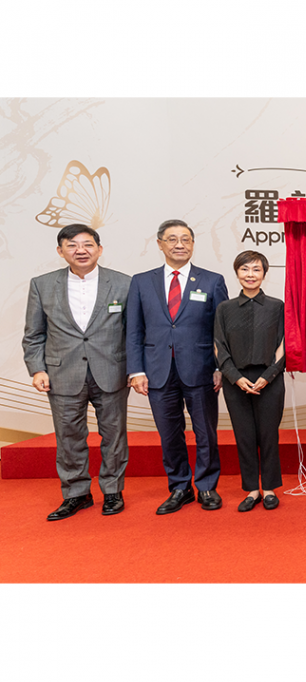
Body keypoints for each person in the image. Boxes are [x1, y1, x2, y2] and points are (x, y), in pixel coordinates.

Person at [23, 224, 132, 520]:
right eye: (72, 245)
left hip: (112, 371)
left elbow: (133, 333)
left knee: (114, 434)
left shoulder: (123, 284)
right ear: (61, 251)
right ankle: (76, 494)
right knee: (69, 436)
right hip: (61, 374)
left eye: (87, 244)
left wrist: (135, 370)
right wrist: (37, 369)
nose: (80, 250)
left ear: (99, 248)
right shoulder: (42, 285)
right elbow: (34, 334)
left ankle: (112, 491)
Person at [126, 220, 229, 514]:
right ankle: (180, 487)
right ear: (160, 244)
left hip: (201, 369)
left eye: (185, 239)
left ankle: (207, 486)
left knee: (205, 432)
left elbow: (221, 330)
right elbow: (133, 330)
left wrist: (220, 367)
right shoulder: (141, 282)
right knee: (169, 433)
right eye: (172, 239)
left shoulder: (212, 280)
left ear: (193, 244)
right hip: (157, 371)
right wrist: (136, 371)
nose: (179, 244)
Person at [214, 250, 287, 511]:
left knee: (268, 436)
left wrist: (268, 377)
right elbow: (218, 347)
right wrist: (235, 378)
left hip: (270, 380)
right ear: (237, 273)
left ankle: (269, 489)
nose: (250, 275)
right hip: (237, 382)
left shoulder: (277, 306)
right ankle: (252, 490)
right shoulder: (225, 308)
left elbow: (283, 345)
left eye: (256, 269)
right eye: (245, 269)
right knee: (244, 436)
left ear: (265, 274)